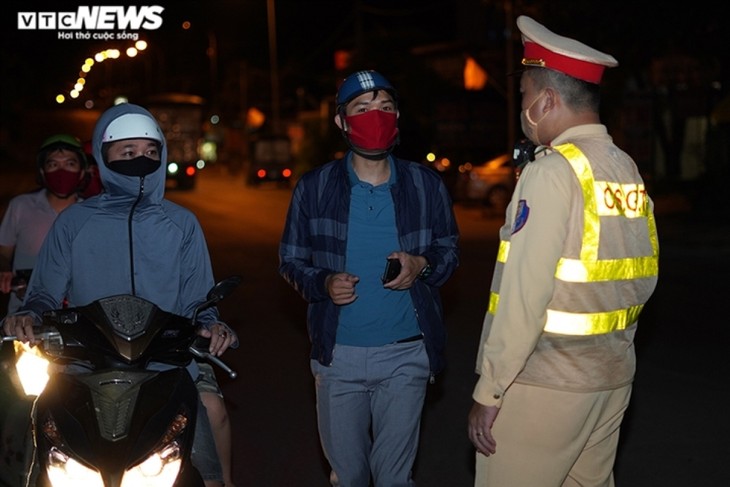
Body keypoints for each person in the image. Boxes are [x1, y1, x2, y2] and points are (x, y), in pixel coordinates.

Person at [1, 103, 237, 487]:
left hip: (166, 361)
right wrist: (28, 314)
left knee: (212, 409)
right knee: (42, 436)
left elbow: (199, 300)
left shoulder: (181, 224)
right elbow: (44, 291)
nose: (140, 160)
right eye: (127, 152)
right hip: (85, 362)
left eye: (149, 152)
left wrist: (213, 325)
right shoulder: (74, 222)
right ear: (104, 155)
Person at [468, 16, 660, 487]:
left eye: (524, 96)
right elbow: (642, 276)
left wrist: (489, 390)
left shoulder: (553, 171)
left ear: (547, 100)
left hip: (543, 387)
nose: (522, 108)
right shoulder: (624, 168)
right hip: (610, 380)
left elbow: (524, 295)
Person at [279, 69, 460, 486]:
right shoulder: (314, 187)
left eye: (385, 108)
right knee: (351, 475)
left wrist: (422, 266)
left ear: (397, 117)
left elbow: (449, 252)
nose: (375, 117)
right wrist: (323, 283)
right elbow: (291, 260)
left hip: (406, 355)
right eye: (362, 109)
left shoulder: (425, 185)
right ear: (341, 122)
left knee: (394, 478)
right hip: (338, 355)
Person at [0, 134, 87, 314]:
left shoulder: (92, 214)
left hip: (77, 316)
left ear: (82, 172)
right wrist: (5, 272)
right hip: (23, 314)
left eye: (70, 164)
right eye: (53, 164)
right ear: (42, 171)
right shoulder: (20, 206)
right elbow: (3, 253)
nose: (61, 171)